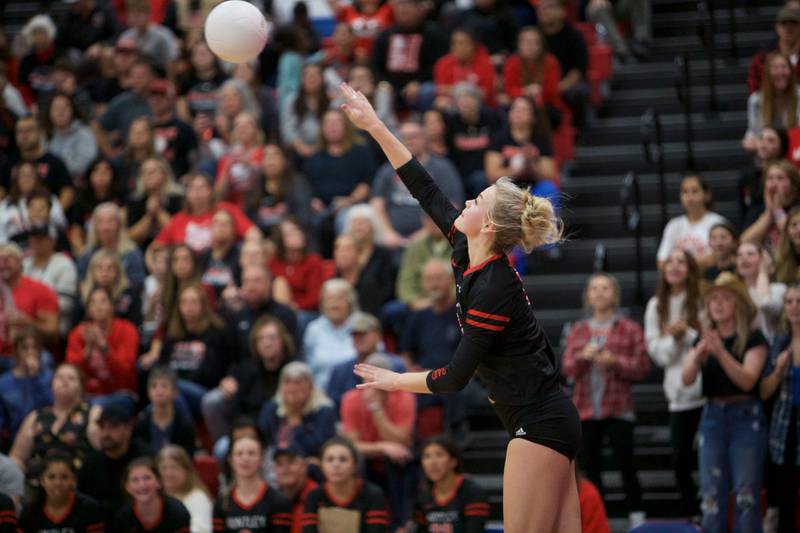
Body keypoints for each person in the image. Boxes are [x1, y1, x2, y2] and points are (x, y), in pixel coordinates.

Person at [342, 81, 581, 531]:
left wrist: (395, 381)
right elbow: (421, 185)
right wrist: (375, 125)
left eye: (478, 199)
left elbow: (454, 378)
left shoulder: (494, 287)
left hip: (538, 422)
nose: (467, 200)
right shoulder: (464, 248)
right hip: (546, 418)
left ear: (488, 223)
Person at [682, 271, 769, 533]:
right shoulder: (703, 339)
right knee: (710, 496)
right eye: (713, 298)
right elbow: (686, 380)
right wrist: (698, 355)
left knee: (746, 495)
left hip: (745, 416)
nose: (717, 304)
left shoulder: (754, 339)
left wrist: (720, 352)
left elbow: (748, 381)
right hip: (712, 417)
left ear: (738, 304)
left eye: (726, 298)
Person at [562, 272, 650, 527]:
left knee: (627, 465)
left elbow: (642, 367)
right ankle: (598, 519)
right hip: (586, 410)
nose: (599, 293)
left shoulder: (630, 328)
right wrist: (582, 357)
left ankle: (637, 519)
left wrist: (615, 362)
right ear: (588, 295)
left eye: (605, 288)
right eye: (594, 288)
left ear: (615, 294)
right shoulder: (578, 330)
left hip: (619, 409)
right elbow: (567, 368)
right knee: (591, 469)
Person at [644, 249, 705, 517]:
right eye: (671, 262)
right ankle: (691, 512)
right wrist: (675, 339)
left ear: (690, 269)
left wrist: (687, 333)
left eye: (682, 261)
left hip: (706, 391)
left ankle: (710, 509)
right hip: (678, 395)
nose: (675, 266)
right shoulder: (656, 305)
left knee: (706, 457)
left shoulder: (701, 300)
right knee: (680, 459)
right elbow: (657, 352)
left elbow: (710, 342)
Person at [203, 315, 295, 450]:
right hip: (249, 432)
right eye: (261, 339)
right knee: (222, 448)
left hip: (280, 434)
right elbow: (237, 410)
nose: (267, 343)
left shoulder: (292, 371)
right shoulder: (247, 371)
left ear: (283, 340)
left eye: (272, 338)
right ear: (255, 344)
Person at [371, 121, 464, 248]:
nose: (409, 141)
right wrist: (387, 232)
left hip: (433, 234)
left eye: (414, 136)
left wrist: (426, 232)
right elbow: (377, 204)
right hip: (392, 236)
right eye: (404, 137)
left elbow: (453, 206)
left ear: (425, 139)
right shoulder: (387, 170)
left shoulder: (443, 168)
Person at [9, 363, 95, 491]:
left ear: (81, 386)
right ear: (51, 385)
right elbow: (17, 456)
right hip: (37, 484)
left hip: (78, 486)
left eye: (71, 378)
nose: (65, 381)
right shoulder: (35, 416)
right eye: (60, 377)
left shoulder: (93, 413)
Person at [760, 284, 800, 533]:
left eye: (799, 301)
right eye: (790, 302)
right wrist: (777, 371)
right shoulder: (778, 341)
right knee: (785, 499)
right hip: (784, 426)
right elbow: (763, 391)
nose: (795, 307)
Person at [158, 283, 230, 418]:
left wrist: (174, 384)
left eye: (193, 302)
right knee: (167, 395)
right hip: (172, 390)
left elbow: (212, 372)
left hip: (202, 391)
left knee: (170, 392)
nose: (188, 307)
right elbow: (162, 365)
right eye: (184, 302)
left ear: (203, 305)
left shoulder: (216, 332)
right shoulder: (172, 334)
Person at [152, 172, 259, 256]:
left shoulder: (226, 210)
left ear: (210, 191)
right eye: (192, 188)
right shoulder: (178, 219)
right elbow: (154, 249)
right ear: (186, 193)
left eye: (201, 188)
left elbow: (253, 234)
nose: (197, 192)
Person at [78, 401, 152, 519]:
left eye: (113, 426)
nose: (106, 433)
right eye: (102, 426)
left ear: (128, 429)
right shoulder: (91, 462)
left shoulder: (144, 458)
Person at [65, 286, 139, 404]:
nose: (98, 306)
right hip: (88, 395)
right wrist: (87, 350)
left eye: (103, 301)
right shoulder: (78, 334)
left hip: (121, 394)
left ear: (112, 306)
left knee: (94, 407)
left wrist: (103, 346)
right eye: (93, 303)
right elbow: (73, 374)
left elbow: (125, 372)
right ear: (88, 309)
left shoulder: (128, 330)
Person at [371, 0, 448, 111]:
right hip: (391, 84)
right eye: (401, 11)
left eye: (407, 11)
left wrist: (419, 82)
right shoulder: (385, 35)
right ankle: (384, 122)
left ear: (419, 11)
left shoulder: (433, 34)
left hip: (421, 84)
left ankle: (421, 118)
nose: (403, 15)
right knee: (381, 91)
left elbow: (438, 65)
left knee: (427, 90)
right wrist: (383, 82)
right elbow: (376, 64)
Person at [301, 436, 389, 532]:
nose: (336, 465)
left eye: (343, 459)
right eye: (330, 459)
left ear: (354, 465)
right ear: (321, 466)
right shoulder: (314, 496)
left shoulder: (373, 495)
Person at [258, 362, 337, 460]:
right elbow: (264, 440)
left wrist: (296, 422)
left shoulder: (324, 410)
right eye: (288, 382)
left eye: (298, 382)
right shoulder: (271, 409)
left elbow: (320, 448)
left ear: (310, 386)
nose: (292, 388)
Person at [213, 436, 293, 532]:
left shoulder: (278, 501)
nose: (245, 458)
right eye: (239, 454)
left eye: (251, 453)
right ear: (231, 460)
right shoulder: (222, 502)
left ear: (262, 460)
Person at [327, 312, 405, 410]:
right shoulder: (340, 371)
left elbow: (404, 403)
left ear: (378, 335)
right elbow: (334, 406)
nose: (358, 338)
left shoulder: (396, 366)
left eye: (363, 333)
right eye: (355, 334)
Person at [414, 435, 490, 532]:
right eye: (427, 456)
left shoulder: (472, 492)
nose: (432, 462)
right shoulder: (423, 496)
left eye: (439, 455)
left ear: (453, 461)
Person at [18, 451, 104, 532]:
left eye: (64, 477)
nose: (58, 483)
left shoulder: (89, 509)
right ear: (42, 480)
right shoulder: (30, 512)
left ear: (73, 480)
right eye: (51, 477)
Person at [0, 242, 60, 359]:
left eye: (7, 260)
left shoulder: (40, 290)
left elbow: (53, 333)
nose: (2, 264)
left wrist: (28, 322)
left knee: (45, 359)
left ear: (20, 263)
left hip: (27, 354)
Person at [3, 115, 74, 211]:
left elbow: (67, 191)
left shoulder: (55, 162)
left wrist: (53, 214)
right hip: (13, 217)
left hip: (47, 217)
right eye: (20, 131)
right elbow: (2, 189)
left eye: (29, 130)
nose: (24, 135)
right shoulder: (9, 163)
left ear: (41, 132)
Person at [537, 0, 589, 129]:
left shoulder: (573, 36)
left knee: (577, 92)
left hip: (567, 82)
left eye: (550, 8)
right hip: (539, 83)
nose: (545, 12)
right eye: (541, 9)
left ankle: (580, 130)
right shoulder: (535, 36)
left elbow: (579, 69)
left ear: (562, 12)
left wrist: (559, 87)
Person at [656, 174, 726, 270]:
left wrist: (680, 266)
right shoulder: (673, 225)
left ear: (706, 195)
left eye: (695, 191)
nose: (690, 196)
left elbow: (716, 258)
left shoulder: (718, 223)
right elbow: (661, 262)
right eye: (685, 192)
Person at [484, 95, 558, 185]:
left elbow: (549, 176)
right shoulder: (499, 138)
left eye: (524, 109)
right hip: (507, 187)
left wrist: (530, 164)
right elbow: (491, 175)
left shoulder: (541, 140)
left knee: (548, 187)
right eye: (514, 108)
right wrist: (515, 171)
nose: (518, 112)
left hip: (533, 187)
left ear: (533, 117)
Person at [340, 205, 397, 316]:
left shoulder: (383, 254)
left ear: (373, 226)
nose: (358, 227)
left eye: (363, 223)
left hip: (377, 307)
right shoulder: (344, 252)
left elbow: (388, 287)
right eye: (355, 223)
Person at [302, 278, 358, 390]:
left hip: (354, 391)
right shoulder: (314, 329)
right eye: (329, 299)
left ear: (350, 302)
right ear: (322, 303)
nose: (334, 304)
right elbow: (307, 364)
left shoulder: (361, 325)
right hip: (321, 393)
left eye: (340, 298)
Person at [23, 222, 78, 334]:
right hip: (24, 326)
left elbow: (66, 304)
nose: (36, 241)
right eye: (33, 238)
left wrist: (31, 308)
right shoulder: (24, 264)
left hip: (54, 328)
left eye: (41, 238)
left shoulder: (64, 264)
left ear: (52, 240)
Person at [78, 202, 147, 291]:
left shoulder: (132, 254)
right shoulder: (86, 255)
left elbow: (137, 284)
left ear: (119, 225)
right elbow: (81, 285)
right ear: (94, 226)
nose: (106, 227)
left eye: (110, 221)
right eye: (101, 222)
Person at [246, 144, 313, 235]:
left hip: (290, 236)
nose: (270, 160)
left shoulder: (297, 183)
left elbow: (304, 216)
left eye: (275, 155)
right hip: (261, 239)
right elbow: (247, 218)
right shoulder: (254, 186)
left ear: (284, 161)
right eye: (266, 156)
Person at [111, 456, 191, 532]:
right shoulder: (122, 517)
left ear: (159, 481)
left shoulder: (177, 512)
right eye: (135, 480)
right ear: (127, 487)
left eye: (147, 478)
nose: (142, 485)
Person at [0, 329, 53, 441]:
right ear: (16, 351)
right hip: (15, 438)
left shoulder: (49, 377)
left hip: (45, 436)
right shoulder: (4, 382)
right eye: (25, 348)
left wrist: (36, 378)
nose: (30, 352)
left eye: (35, 348)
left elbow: (53, 406)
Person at [125, 156, 185, 250]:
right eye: (144, 172)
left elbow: (176, 232)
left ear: (164, 175)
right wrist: (149, 215)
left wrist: (158, 211)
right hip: (142, 248)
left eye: (153, 172)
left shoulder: (177, 198)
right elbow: (131, 236)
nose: (148, 175)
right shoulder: (135, 200)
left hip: (172, 247)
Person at [134, 366, 196, 456]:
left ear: (175, 392)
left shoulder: (185, 424)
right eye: (154, 386)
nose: (159, 391)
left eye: (164, 386)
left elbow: (188, 458)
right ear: (148, 392)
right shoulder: (141, 423)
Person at [745, 52, 800, 151]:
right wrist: (751, 141)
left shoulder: (799, 95)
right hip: (769, 151)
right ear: (767, 73)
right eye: (775, 68)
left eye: (784, 67)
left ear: (791, 72)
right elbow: (753, 132)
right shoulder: (756, 100)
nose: (780, 72)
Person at [741, 160, 800, 252]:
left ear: (793, 184)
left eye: (780, 178)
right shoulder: (758, 208)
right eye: (770, 178)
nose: (774, 183)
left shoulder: (797, 209)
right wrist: (769, 213)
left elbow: (794, 237)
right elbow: (744, 242)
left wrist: (777, 210)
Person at [735, 241, 787, 341]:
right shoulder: (734, 292)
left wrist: (763, 272)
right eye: (739, 255)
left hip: (769, 348)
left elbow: (766, 304)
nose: (744, 258)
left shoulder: (779, 289)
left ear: (765, 260)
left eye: (750, 254)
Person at [433, 28, 496, 109]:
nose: (456, 47)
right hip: (451, 103)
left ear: (472, 45)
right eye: (453, 43)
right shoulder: (443, 63)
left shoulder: (485, 63)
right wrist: (467, 89)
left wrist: (457, 90)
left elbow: (486, 93)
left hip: (479, 106)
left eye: (461, 43)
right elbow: (439, 90)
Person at [157, 445, 214, 533]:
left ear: (187, 471)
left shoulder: (198, 498)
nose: (168, 473)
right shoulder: (155, 498)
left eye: (174, 467)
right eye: (164, 468)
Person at [738, 126, 788, 226]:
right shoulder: (747, 174)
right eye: (761, 138)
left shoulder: (789, 173)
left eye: (770, 140)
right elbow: (742, 208)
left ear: (782, 144)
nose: (763, 144)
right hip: (753, 225)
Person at [43, 91, 98, 180]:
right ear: (49, 112)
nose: (60, 112)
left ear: (72, 110)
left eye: (65, 108)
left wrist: (57, 170)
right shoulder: (46, 135)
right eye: (56, 108)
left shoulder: (84, 133)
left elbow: (86, 164)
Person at [215, 112, 265, 209]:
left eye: (247, 125)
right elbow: (218, 195)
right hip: (233, 208)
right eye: (238, 125)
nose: (242, 128)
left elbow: (268, 180)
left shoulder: (264, 153)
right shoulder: (226, 158)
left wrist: (249, 165)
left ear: (256, 129)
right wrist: (227, 169)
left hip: (259, 205)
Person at [281, 63, 331, 160]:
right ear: (302, 79)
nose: (311, 78)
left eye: (315, 75)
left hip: (326, 148)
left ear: (322, 79)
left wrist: (319, 147)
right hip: (297, 150)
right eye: (307, 75)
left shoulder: (330, 101)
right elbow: (288, 129)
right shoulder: (291, 101)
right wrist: (300, 147)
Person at [748, 5, 800, 94]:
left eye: (793, 24)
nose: (789, 29)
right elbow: (754, 88)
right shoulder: (763, 58)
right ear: (777, 27)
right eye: (784, 24)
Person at [197, 209, 243, 299]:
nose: (221, 227)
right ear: (211, 228)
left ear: (233, 229)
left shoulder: (240, 255)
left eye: (226, 224)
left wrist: (238, 292)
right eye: (217, 223)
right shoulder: (203, 257)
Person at [273, 444, 318, 533]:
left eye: (291, 462)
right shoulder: (272, 500)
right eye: (279, 464)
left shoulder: (318, 497)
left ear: (304, 466)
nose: (285, 469)